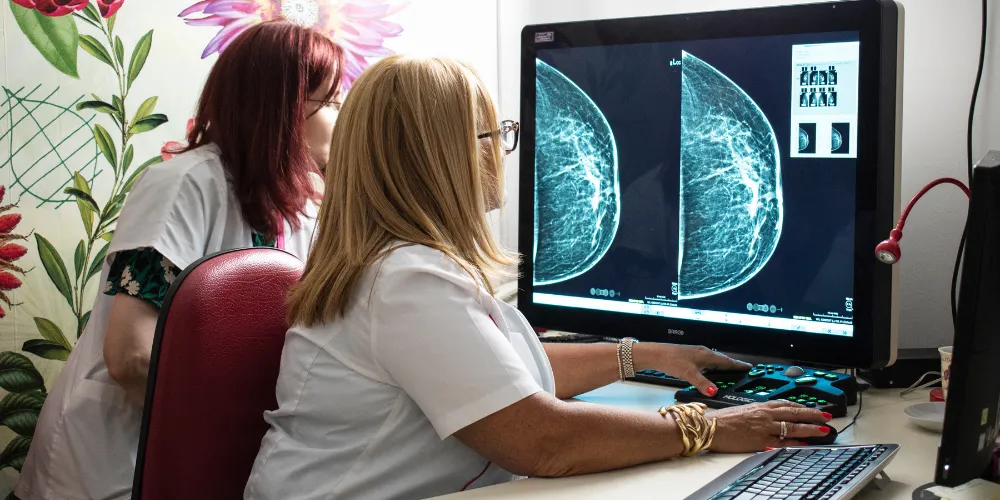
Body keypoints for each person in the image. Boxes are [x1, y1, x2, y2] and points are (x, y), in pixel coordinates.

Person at [244, 55, 833, 500]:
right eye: (494, 133)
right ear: (446, 155)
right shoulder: (405, 284)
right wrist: (707, 427)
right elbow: (543, 442)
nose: (505, 151)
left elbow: (498, 375)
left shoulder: (399, 265)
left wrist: (643, 355)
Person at [17, 21, 345, 500]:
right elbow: (130, 355)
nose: (343, 117)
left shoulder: (301, 210)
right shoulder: (184, 185)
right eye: (331, 102)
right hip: (115, 464)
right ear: (282, 107)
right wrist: (228, 435)